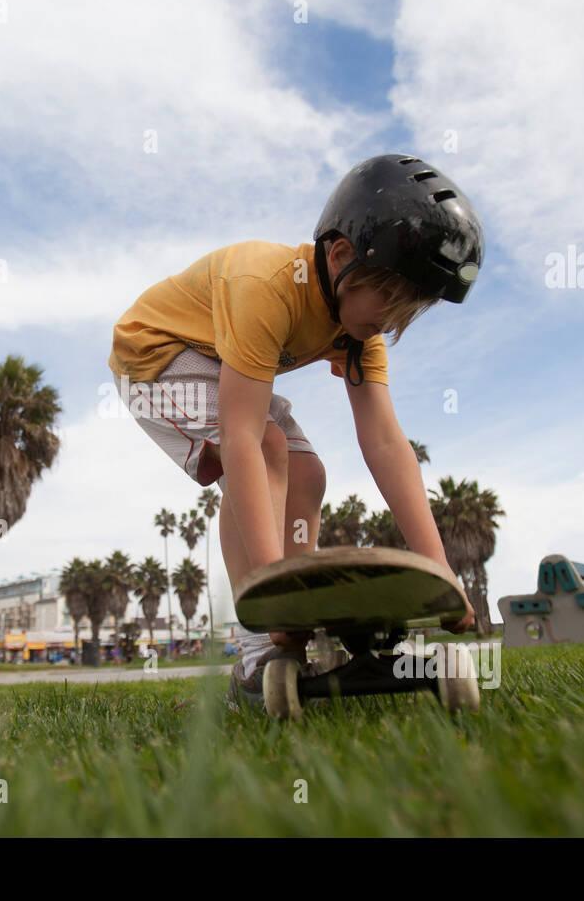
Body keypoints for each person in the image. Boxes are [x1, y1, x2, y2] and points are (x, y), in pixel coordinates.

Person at [108, 154, 482, 712]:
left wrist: (440, 573)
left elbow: (384, 442)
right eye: (389, 301)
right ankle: (259, 647)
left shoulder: (361, 332)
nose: (391, 323)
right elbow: (240, 436)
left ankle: (299, 611)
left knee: (308, 472)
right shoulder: (268, 286)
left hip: (216, 357)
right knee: (264, 445)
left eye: (409, 312)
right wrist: (271, 596)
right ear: (340, 256)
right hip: (152, 354)